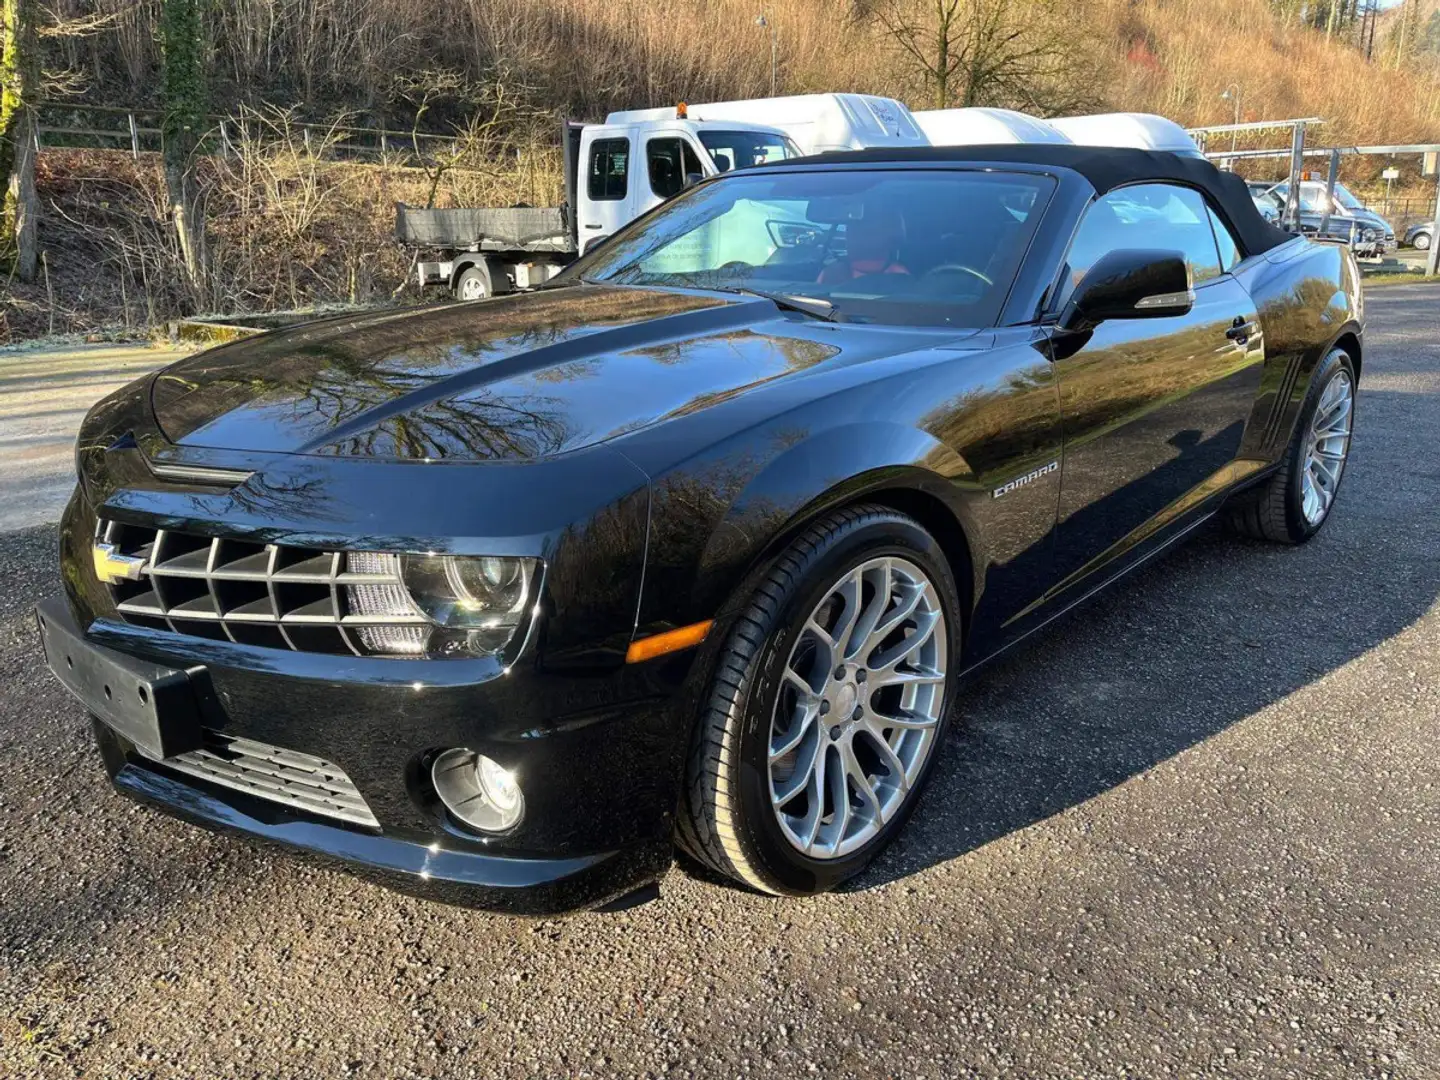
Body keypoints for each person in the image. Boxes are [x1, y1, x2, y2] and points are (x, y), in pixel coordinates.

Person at [818, 204, 909, 284]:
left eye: (859, 230)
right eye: (851, 229)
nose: (849, 235)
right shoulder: (831, 274)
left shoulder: (898, 276)